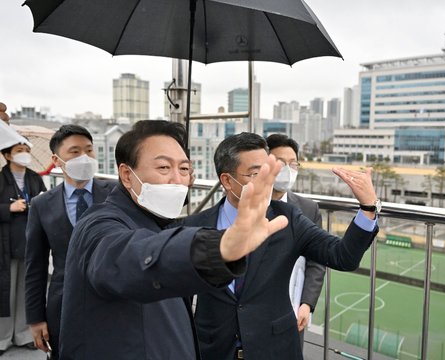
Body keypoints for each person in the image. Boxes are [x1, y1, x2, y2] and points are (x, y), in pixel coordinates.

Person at [58, 120, 288, 360]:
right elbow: (127, 256)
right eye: (164, 168)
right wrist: (217, 247)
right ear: (127, 175)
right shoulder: (98, 224)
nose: (178, 180)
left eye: (184, 169)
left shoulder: (158, 222)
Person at [181, 132, 380, 360]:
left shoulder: (289, 218)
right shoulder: (194, 226)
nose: (268, 181)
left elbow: (342, 256)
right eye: (257, 174)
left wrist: (367, 208)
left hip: (276, 348)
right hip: (213, 350)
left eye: (269, 172)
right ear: (227, 180)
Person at [25, 124, 115, 359]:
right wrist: (35, 318)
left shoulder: (117, 194)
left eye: (89, 150)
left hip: (114, 300)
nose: (84, 158)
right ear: (56, 160)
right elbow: (35, 267)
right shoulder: (42, 205)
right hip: (63, 303)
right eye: (75, 152)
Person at [266, 133, 325, 349]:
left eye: (293, 164)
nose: (288, 170)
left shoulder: (308, 209)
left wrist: (307, 304)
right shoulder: (246, 205)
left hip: (292, 309)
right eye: (281, 163)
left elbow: (317, 261)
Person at [0, 141, 46, 355]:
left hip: (29, 241)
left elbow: (46, 201)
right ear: (7, 155)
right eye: (19, 151)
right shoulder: (0, 178)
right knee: (5, 293)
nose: (25, 154)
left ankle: (24, 335)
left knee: (26, 291)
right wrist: (8, 208)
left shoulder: (34, 178)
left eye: (27, 150)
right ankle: (3, 338)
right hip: (6, 244)